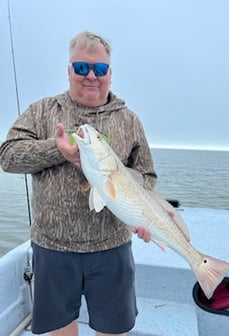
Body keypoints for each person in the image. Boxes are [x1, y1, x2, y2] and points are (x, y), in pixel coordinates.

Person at [0, 31, 157, 336]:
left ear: (109, 74)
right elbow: (7, 157)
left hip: (112, 248)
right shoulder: (42, 111)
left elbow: (146, 175)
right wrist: (55, 149)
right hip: (53, 248)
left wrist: (140, 212)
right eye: (82, 67)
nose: (91, 77)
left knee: (114, 329)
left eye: (99, 69)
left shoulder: (129, 121)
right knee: (61, 330)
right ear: (69, 70)